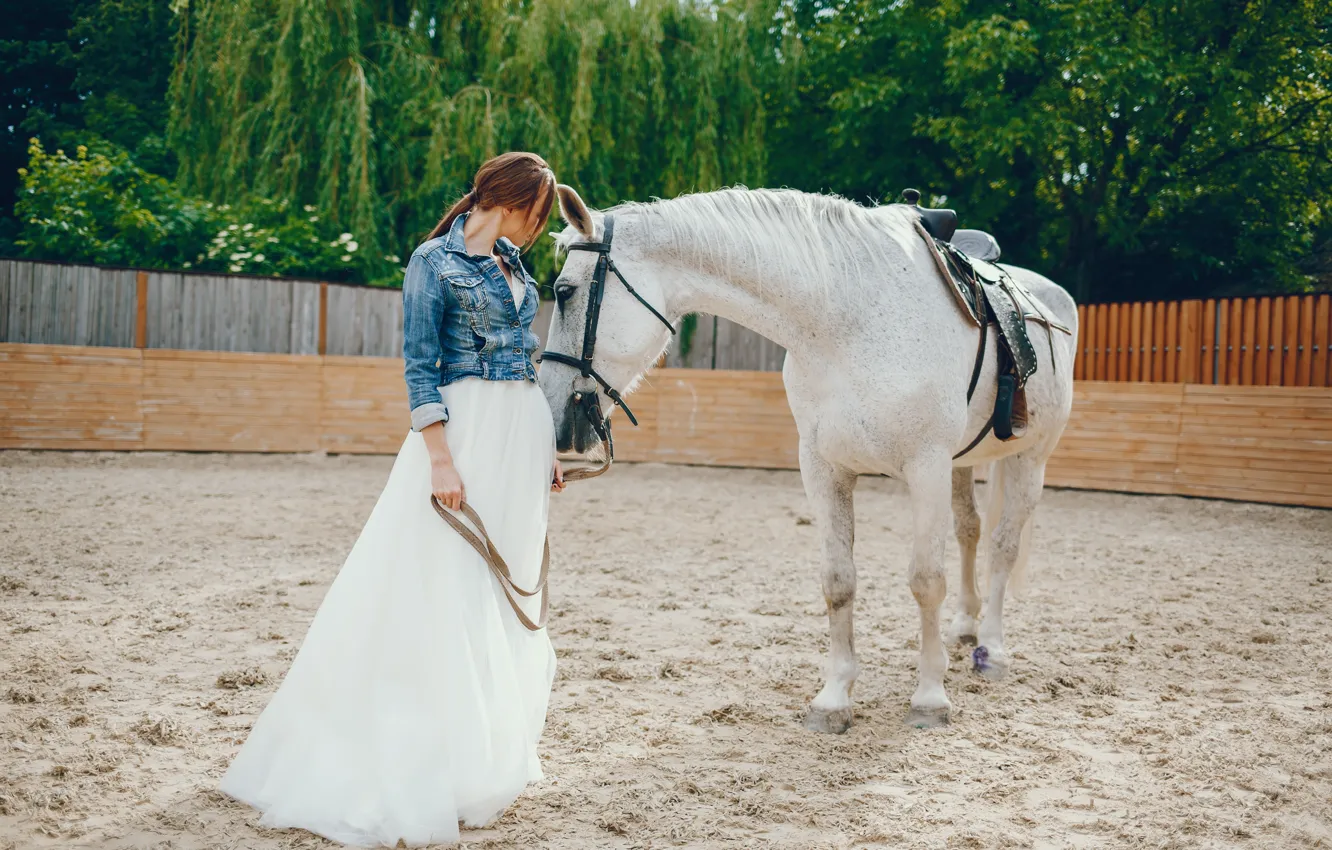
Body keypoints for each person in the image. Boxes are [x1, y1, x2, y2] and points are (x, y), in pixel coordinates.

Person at [220, 152, 566, 847]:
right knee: (438, 585)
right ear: (512, 199)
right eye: (538, 214)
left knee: (500, 592)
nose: (539, 230)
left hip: (518, 435)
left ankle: (480, 756)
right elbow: (418, 364)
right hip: (462, 435)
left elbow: (524, 356)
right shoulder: (431, 263)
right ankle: (421, 755)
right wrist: (439, 458)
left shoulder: (514, 263)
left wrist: (546, 445)